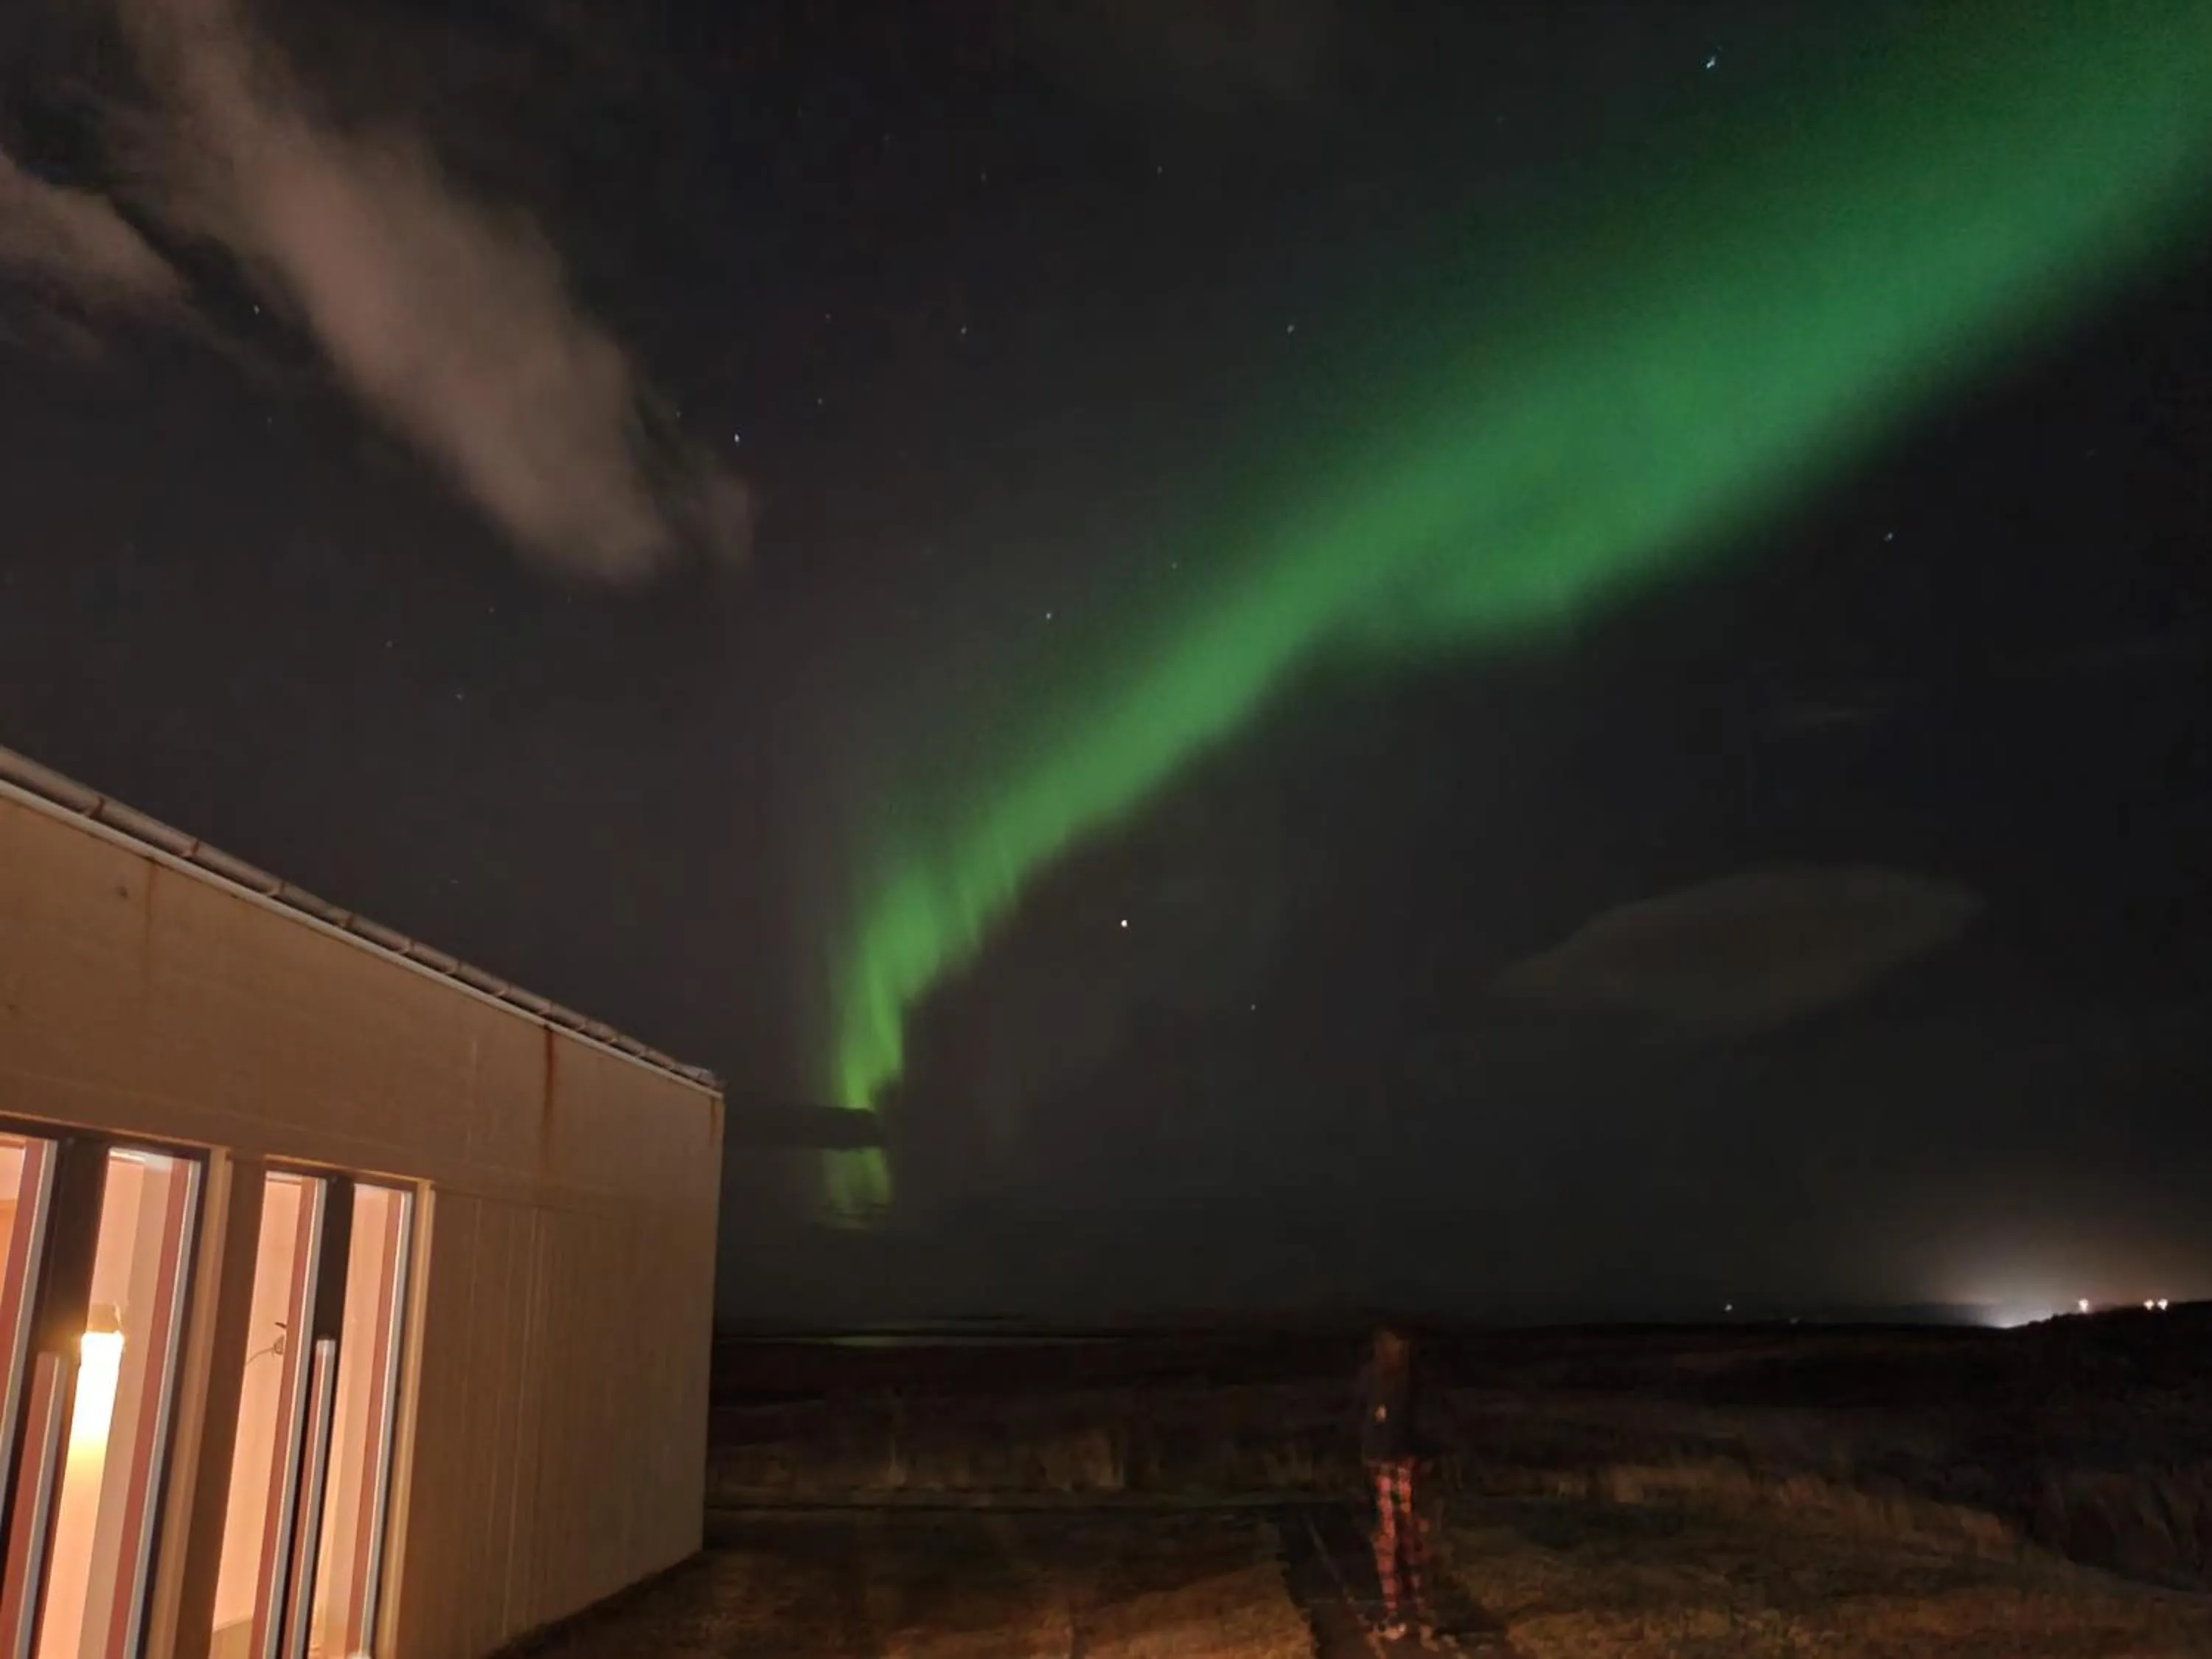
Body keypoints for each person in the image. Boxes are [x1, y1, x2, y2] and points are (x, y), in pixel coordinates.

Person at [1360, 1324, 1435, 1641]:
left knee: (1394, 1541)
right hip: (1395, 1464)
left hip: (1399, 1465)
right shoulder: (1384, 1378)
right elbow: (1374, 1420)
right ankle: (1418, 1613)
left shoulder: (1402, 1381)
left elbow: (1399, 1425)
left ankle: (1401, 1615)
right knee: (1404, 1540)